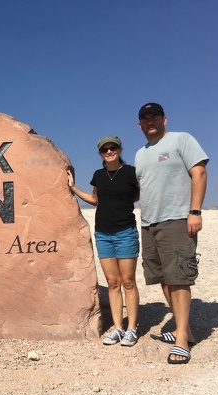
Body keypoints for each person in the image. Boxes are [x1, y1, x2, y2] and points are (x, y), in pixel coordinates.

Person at [135, 102, 208, 365]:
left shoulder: (182, 140)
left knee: (178, 278)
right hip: (149, 222)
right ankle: (184, 330)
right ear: (139, 124)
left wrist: (195, 211)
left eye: (154, 116)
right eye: (145, 118)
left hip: (176, 219)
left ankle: (180, 343)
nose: (150, 121)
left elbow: (199, 172)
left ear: (164, 119)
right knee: (163, 278)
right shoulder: (140, 154)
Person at [68, 135, 140, 347]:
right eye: (105, 149)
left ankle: (132, 328)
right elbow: (95, 199)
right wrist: (73, 188)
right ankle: (118, 328)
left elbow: (137, 195)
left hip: (126, 231)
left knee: (128, 281)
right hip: (103, 234)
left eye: (113, 148)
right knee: (112, 283)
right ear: (100, 153)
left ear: (120, 149)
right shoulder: (98, 175)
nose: (109, 152)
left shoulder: (130, 172)